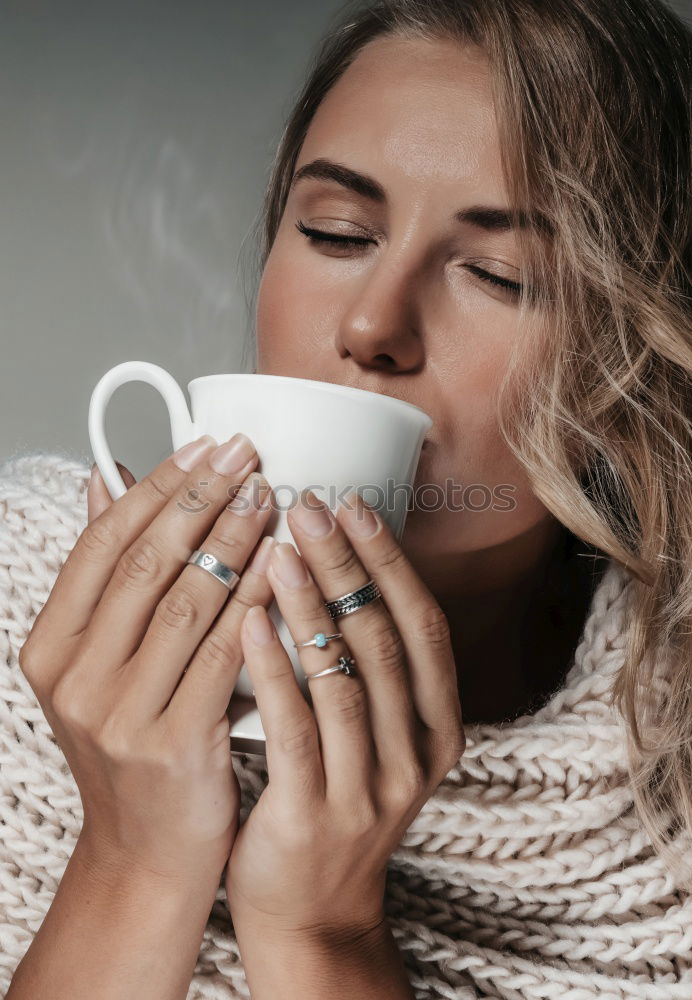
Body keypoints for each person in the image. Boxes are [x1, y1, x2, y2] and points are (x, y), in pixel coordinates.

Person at [2, 0, 690, 997]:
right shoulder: (29, 603)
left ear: (635, 363)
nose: (373, 323)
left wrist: (323, 935)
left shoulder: (660, 818)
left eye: (497, 276)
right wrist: (133, 864)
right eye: (334, 232)